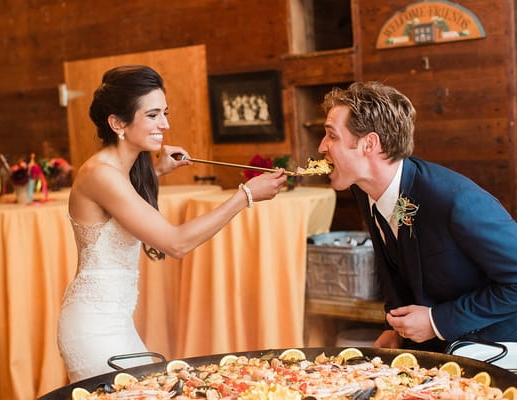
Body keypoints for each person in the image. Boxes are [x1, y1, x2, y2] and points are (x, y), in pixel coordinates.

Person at [57, 65, 287, 382]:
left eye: (164, 113)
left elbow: (124, 203)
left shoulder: (119, 171)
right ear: (117, 122)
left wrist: (158, 171)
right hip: (92, 328)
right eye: (152, 115)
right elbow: (175, 243)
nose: (164, 124)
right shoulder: (101, 174)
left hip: (114, 322)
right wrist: (245, 195)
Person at [317, 81, 517, 353]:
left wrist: (437, 322)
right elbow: (396, 264)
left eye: (332, 136)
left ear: (369, 144)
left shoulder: (455, 200)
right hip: (433, 351)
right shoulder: (364, 189)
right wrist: (394, 327)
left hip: (495, 350)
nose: (321, 147)